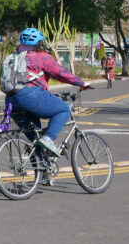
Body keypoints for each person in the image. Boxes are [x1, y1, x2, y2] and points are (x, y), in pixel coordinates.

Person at [6, 28, 90, 158]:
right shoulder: (42, 57)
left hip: (11, 100)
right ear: (39, 43)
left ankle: (42, 176)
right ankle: (49, 139)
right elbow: (61, 74)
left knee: (35, 142)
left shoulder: (14, 58)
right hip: (30, 96)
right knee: (63, 110)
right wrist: (81, 83)